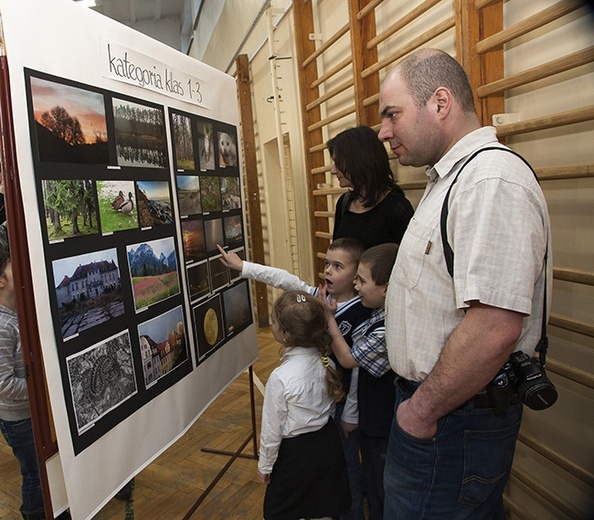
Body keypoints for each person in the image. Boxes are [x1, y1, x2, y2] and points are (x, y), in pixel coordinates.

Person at [377, 48, 551, 518]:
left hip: (451, 421)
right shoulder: (450, 180)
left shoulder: (488, 181)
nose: (383, 132)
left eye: (392, 114)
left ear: (439, 102)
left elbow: (495, 326)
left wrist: (420, 411)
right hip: (444, 413)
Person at [218, 239, 370, 518]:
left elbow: (357, 369)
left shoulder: (363, 311)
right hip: (322, 410)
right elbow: (283, 278)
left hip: (337, 408)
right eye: (327, 264)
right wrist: (243, 267)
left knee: (346, 476)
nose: (328, 271)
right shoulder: (315, 297)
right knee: (327, 486)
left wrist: (350, 412)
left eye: (338, 267)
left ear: (357, 275)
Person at [320, 243, 398, 520]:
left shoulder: (386, 325)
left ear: (387, 289)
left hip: (381, 423)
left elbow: (349, 360)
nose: (357, 285)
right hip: (368, 420)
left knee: (381, 486)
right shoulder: (374, 311)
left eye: (362, 281)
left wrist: (329, 318)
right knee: (371, 480)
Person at [258, 290, 351, 519]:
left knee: (282, 511)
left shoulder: (280, 377)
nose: (272, 325)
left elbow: (272, 430)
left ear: (286, 334)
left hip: (296, 456)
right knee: (324, 506)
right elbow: (329, 407)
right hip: (327, 444)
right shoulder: (325, 362)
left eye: (273, 322)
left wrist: (265, 465)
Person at [0, 222, 46, 520]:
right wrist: (38, 385)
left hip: (31, 411)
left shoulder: (17, 312)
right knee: (34, 475)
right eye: (12, 264)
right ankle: (34, 513)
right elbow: (2, 383)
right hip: (18, 419)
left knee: (42, 469)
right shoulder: (3, 326)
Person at [328, 125, 413, 249]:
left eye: (338, 162)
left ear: (358, 160)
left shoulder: (398, 208)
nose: (333, 170)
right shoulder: (344, 202)